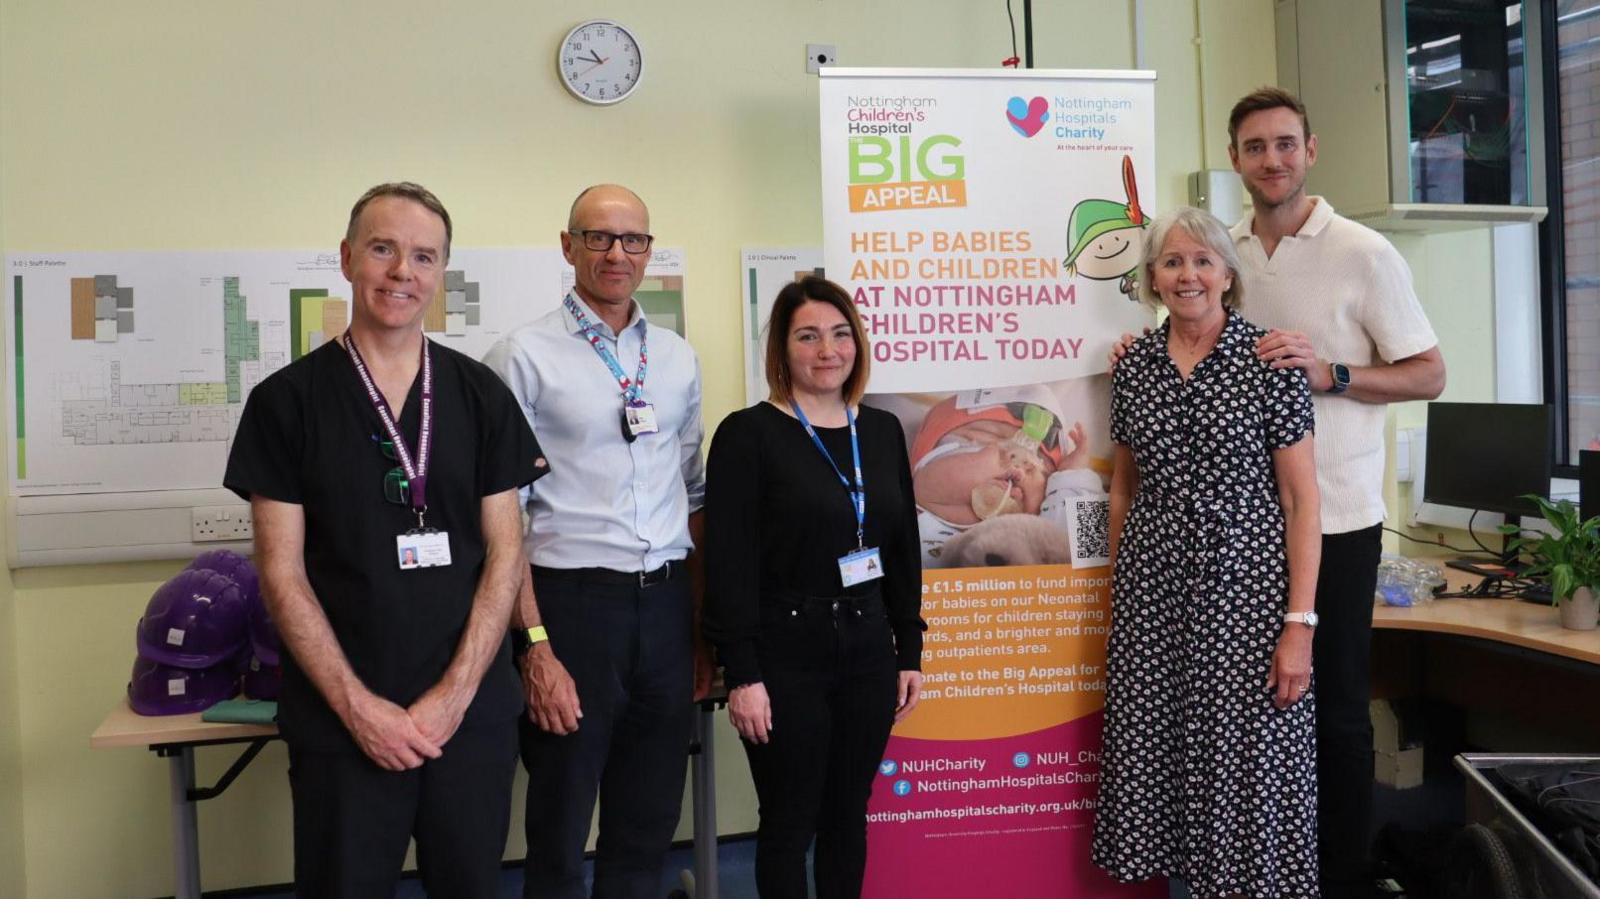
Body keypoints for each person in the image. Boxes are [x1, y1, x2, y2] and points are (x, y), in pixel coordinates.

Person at [225, 182, 546, 897]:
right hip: (343, 724)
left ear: (440, 274)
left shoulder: (480, 395)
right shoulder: (285, 402)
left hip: (467, 718)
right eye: (383, 248)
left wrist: (454, 697)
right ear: (346, 259)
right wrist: (358, 708)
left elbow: (505, 552)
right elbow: (281, 572)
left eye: (423, 256)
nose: (403, 270)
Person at [1227, 87, 1445, 897]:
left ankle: (1342, 879)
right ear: (1236, 159)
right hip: (1250, 525)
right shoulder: (1229, 256)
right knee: (1259, 704)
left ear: (1310, 150)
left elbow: (1430, 370)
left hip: (1342, 520)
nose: (1272, 159)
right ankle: (1272, 869)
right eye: (1255, 146)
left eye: (1285, 143)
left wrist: (1334, 374)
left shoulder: (1364, 252)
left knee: (1338, 709)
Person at [482, 183, 708, 899]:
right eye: (599, 237)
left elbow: (693, 494)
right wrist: (536, 646)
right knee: (559, 820)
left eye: (632, 239)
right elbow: (502, 520)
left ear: (649, 251)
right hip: (572, 608)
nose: (617, 252)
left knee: (648, 819)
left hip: (667, 605)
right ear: (567, 245)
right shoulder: (522, 355)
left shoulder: (675, 358)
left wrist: (702, 629)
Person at [1091, 206, 1322, 898]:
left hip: (1244, 597)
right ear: (1152, 279)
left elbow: (1302, 502)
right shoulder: (1133, 369)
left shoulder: (1269, 361)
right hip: (1152, 596)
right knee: (1158, 759)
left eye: (1202, 260)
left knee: (1244, 767)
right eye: (1171, 262)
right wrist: (1119, 594)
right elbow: (1124, 491)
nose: (1187, 274)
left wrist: (1299, 624)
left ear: (1227, 272)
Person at [703, 275, 925, 899]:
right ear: (782, 349)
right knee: (788, 820)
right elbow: (729, 565)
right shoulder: (748, 435)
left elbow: (902, 548)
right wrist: (742, 674)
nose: (827, 349)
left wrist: (908, 650)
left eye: (839, 333)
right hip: (783, 653)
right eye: (807, 336)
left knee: (847, 816)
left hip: (867, 651)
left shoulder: (879, 431)